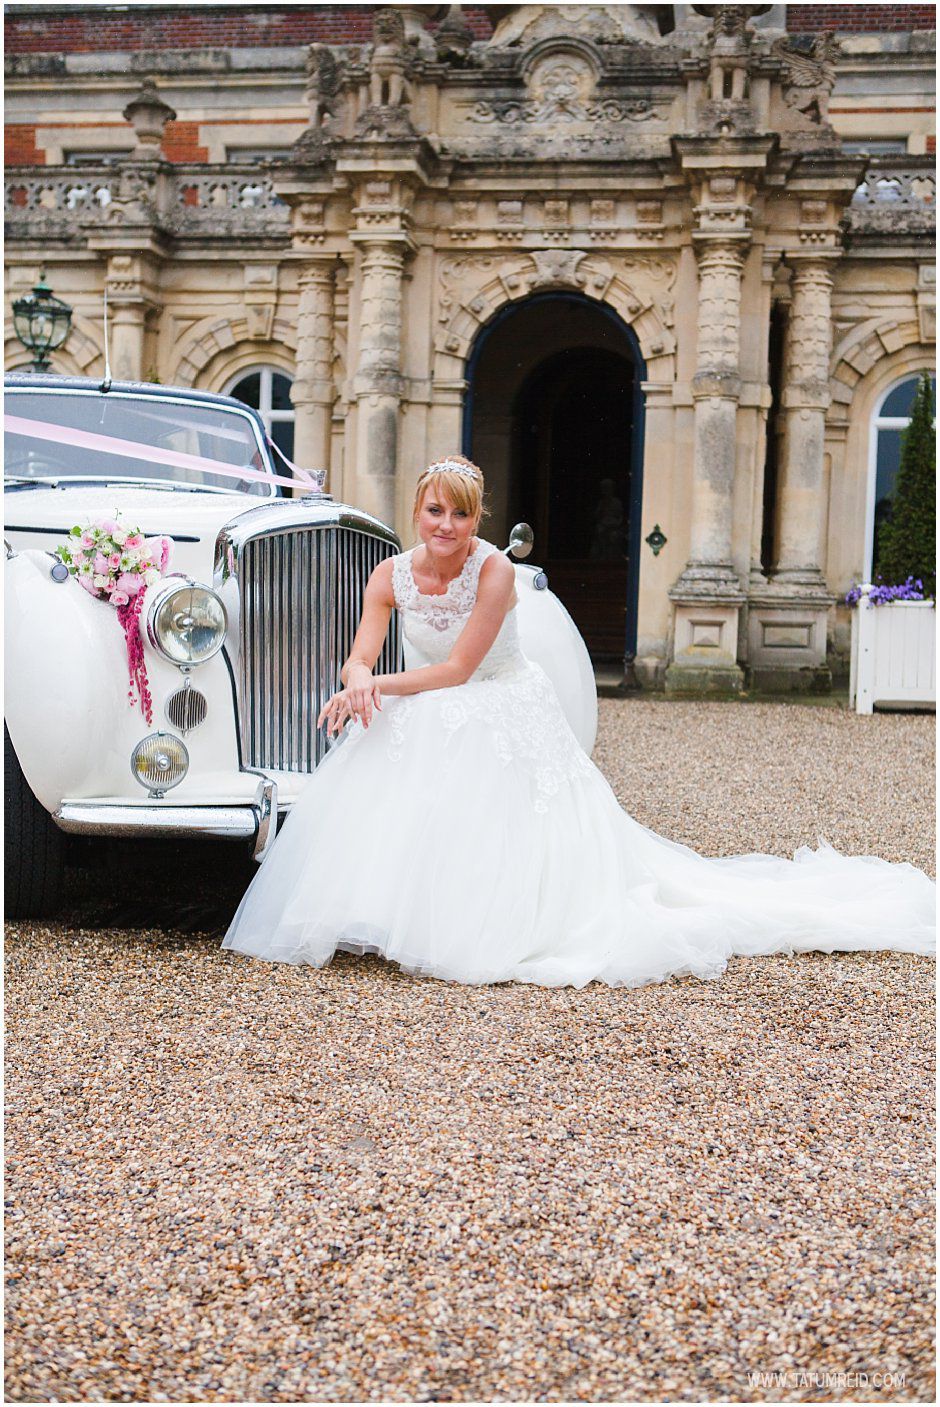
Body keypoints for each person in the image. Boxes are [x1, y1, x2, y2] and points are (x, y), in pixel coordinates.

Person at [221, 455, 936, 988]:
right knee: (385, 741)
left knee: (448, 733)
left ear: (479, 519)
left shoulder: (495, 570)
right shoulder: (389, 574)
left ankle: (483, 923)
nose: (447, 526)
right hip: (426, 695)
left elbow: (459, 670)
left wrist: (376, 685)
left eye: (461, 514)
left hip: (498, 696)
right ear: (417, 511)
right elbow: (361, 654)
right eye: (435, 511)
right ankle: (380, 913)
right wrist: (354, 683)